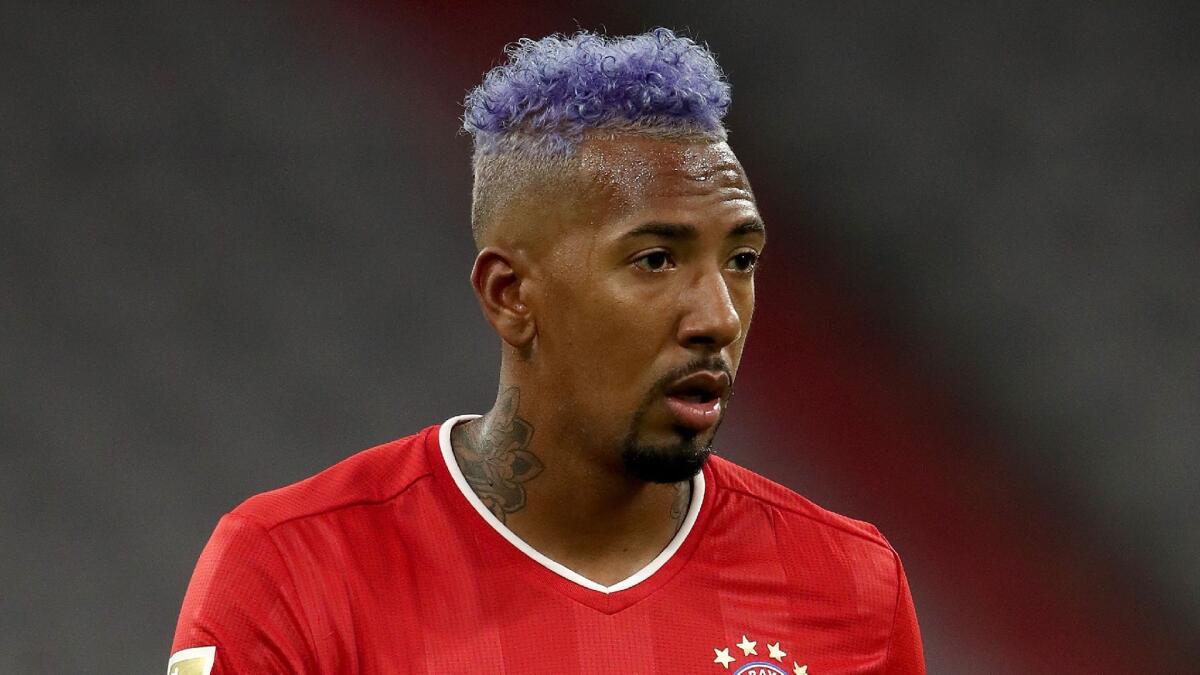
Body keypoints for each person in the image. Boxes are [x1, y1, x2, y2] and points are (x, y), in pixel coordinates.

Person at [169, 28, 924, 675]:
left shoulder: (850, 585)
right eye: (656, 260)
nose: (719, 317)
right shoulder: (290, 569)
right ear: (509, 295)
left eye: (742, 260)